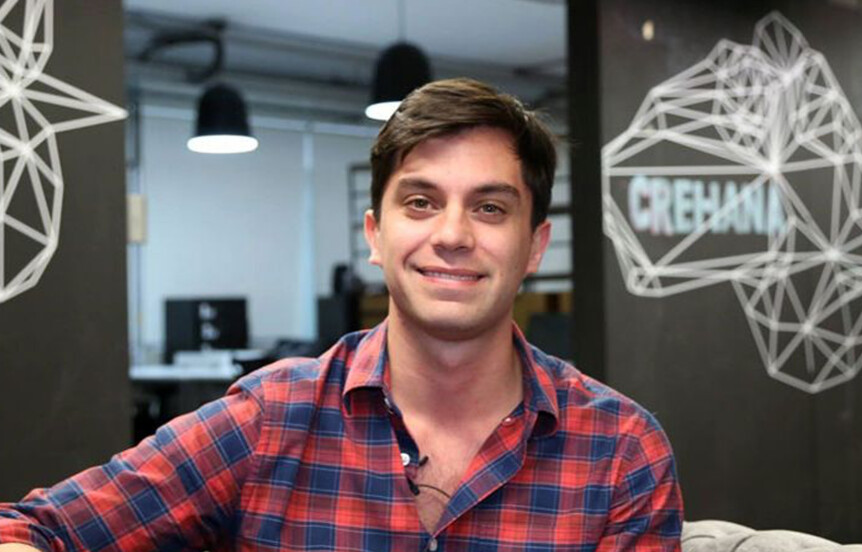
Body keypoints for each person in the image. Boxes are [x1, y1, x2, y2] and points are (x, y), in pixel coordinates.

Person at [0, 78, 683, 552]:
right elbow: (31, 529)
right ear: (375, 235)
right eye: (419, 202)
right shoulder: (268, 420)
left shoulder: (620, 451)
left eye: (490, 207)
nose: (452, 234)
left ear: (535, 244)